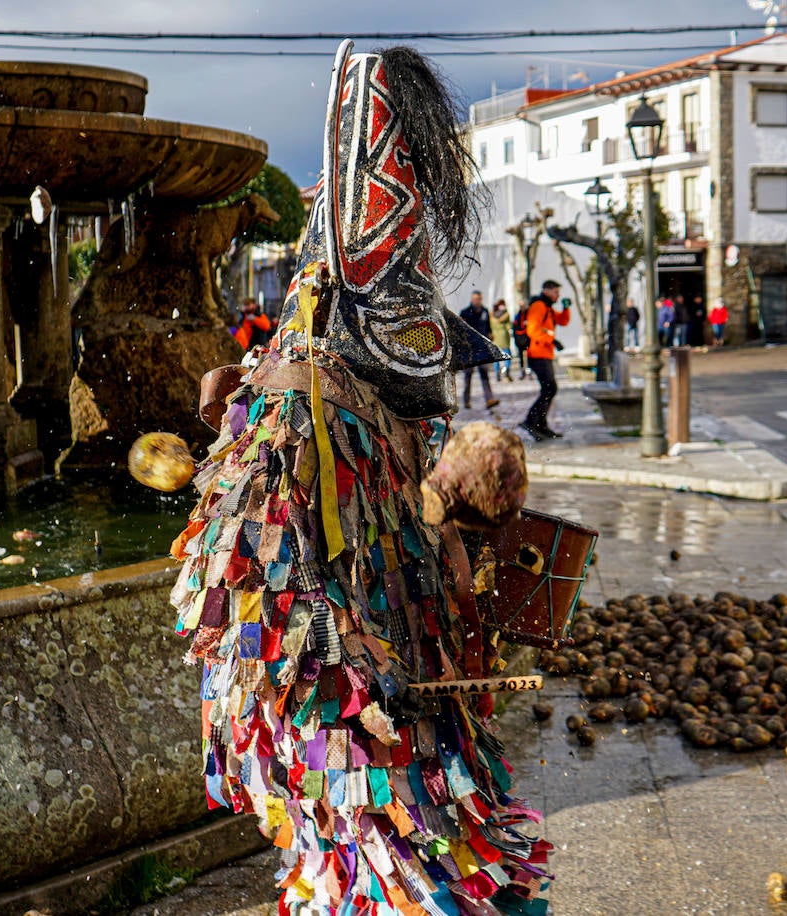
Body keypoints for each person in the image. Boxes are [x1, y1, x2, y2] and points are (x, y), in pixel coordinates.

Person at [169, 42, 551, 916]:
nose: (436, 396)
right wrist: (352, 666)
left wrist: (459, 593)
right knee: (400, 877)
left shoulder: (380, 431)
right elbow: (243, 584)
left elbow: (401, 546)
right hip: (351, 736)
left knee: (461, 865)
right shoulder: (302, 409)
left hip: (404, 716)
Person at [521, 279, 570, 440]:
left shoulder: (548, 308)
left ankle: (540, 425)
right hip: (537, 355)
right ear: (547, 291)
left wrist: (566, 308)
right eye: (556, 292)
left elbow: (562, 321)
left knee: (549, 389)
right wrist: (552, 340)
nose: (558, 295)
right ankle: (531, 421)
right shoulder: (539, 306)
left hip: (545, 354)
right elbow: (533, 330)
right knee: (550, 388)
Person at [458, 290, 499, 408]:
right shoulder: (465, 312)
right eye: (476, 299)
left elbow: (488, 327)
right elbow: (461, 330)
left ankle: (489, 399)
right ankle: (466, 401)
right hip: (470, 349)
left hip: (482, 349)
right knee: (468, 375)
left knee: (484, 374)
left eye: (479, 299)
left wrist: (490, 335)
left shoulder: (485, 311)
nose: (478, 301)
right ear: (472, 299)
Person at [489, 297, 514, 381]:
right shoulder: (506, 314)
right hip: (504, 337)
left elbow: (490, 326)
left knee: (496, 357)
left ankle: (497, 373)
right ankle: (506, 371)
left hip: (495, 338)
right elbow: (509, 327)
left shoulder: (492, 315)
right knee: (507, 355)